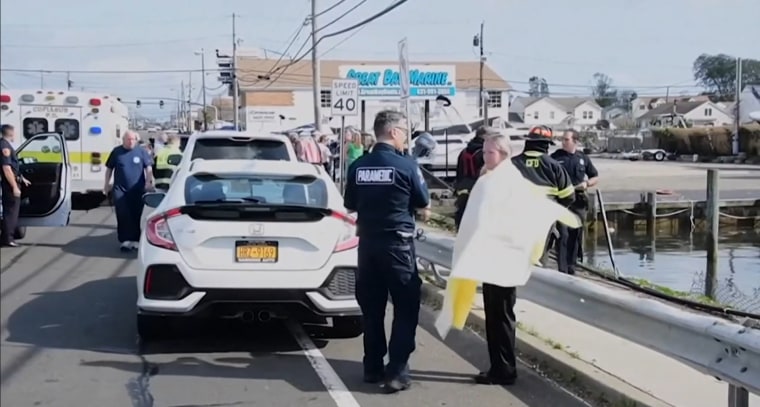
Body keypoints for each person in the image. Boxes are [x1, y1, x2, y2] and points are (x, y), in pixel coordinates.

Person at [343, 110, 431, 393]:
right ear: (393, 132)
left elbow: (351, 204)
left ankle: (372, 366)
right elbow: (423, 201)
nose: (407, 137)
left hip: (367, 246)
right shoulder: (406, 165)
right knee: (405, 308)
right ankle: (397, 372)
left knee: (372, 309)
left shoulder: (358, 165)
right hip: (398, 246)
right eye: (405, 131)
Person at [468, 132, 520, 386]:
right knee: (496, 314)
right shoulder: (494, 177)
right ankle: (499, 365)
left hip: (502, 256)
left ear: (503, 154)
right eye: (485, 152)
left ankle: (504, 369)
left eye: (489, 153)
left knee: (500, 315)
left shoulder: (504, 180)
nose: (484, 157)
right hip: (495, 255)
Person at [511, 125, 575, 270]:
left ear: (528, 142)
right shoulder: (554, 166)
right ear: (546, 145)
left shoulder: (512, 164)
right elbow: (569, 196)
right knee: (539, 261)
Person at [551, 130, 599, 273]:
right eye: (562, 139)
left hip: (578, 202)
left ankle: (572, 266)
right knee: (562, 235)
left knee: (575, 235)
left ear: (575, 141)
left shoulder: (583, 158)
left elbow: (595, 176)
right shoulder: (556, 157)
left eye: (566, 140)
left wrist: (587, 184)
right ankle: (562, 268)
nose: (563, 142)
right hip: (562, 201)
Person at [104, 130, 154, 251]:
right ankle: (125, 240)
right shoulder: (117, 152)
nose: (131, 141)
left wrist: (148, 182)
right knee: (122, 213)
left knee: (136, 213)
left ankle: (135, 239)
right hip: (120, 189)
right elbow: (109, 169)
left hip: (137, 189)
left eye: (133, 139)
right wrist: (106, 184)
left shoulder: (141, 152)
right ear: (123, 140)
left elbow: (148, 168)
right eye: (128, 139)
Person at [452, 126, 489, 229]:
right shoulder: (484, 153)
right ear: (484, 137)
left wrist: (457, 187)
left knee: (462, 213)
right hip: (477, 187)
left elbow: (458, 171)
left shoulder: (464, 151)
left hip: (462, 187)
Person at [0, 124, 30, 247]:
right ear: (11, 133)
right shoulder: (5, 147)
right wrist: (14, 187)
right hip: (9, 185)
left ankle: (5, 237)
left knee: (11, 211)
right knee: (11, 212)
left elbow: (13, 168)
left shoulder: (6, 145)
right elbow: (7, 169)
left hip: (12, 181)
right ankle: (8, 239)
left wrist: (22, 178)